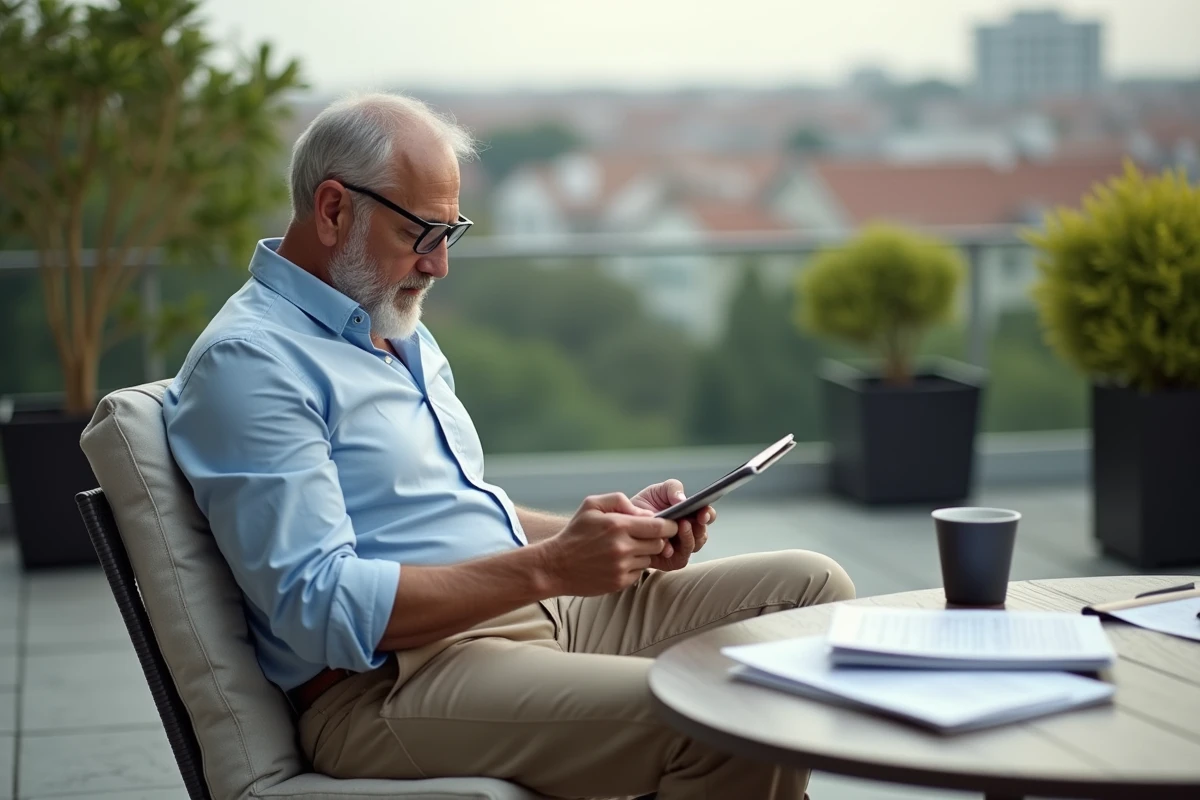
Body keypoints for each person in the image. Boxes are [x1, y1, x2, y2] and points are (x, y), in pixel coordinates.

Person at [163, 91, 855, 800]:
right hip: (396, 680)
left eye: (449, 233)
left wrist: (611, 536)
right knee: (726, 715)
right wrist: (552, 567)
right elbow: (319, 607)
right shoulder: (254, 363)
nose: (438, 266)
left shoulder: (389, 325)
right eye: (419, 234)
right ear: (334, 209)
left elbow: (450, 510)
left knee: (811, 593)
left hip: (528, 613)